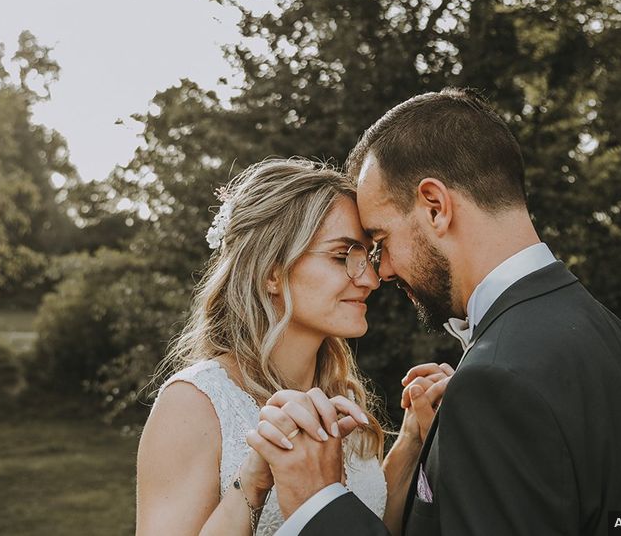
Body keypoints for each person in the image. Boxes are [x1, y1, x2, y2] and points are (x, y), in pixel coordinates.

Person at [246, 89, 621, 535]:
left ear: (435, 207)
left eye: (381, 240)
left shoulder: (496, 379)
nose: (382, 272)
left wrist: (321, 503)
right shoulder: (607, 332)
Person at [135, 158, 452, 535]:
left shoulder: (341, 392)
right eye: (341, 257)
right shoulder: (194, 402)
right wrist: (252, 484)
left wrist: (413, 441)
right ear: (271, 271)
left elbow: (364, 527)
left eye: (366, 257)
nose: (371, 278)